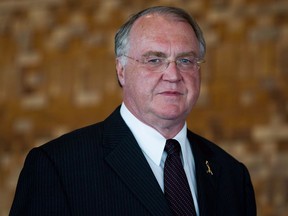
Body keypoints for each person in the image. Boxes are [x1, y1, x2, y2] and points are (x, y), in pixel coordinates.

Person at [9, 6, 256, 216]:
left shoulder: (232, 175)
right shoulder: (57, 168)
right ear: (121, 70)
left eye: (185, 60)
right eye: (154, 60)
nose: (173, 75)